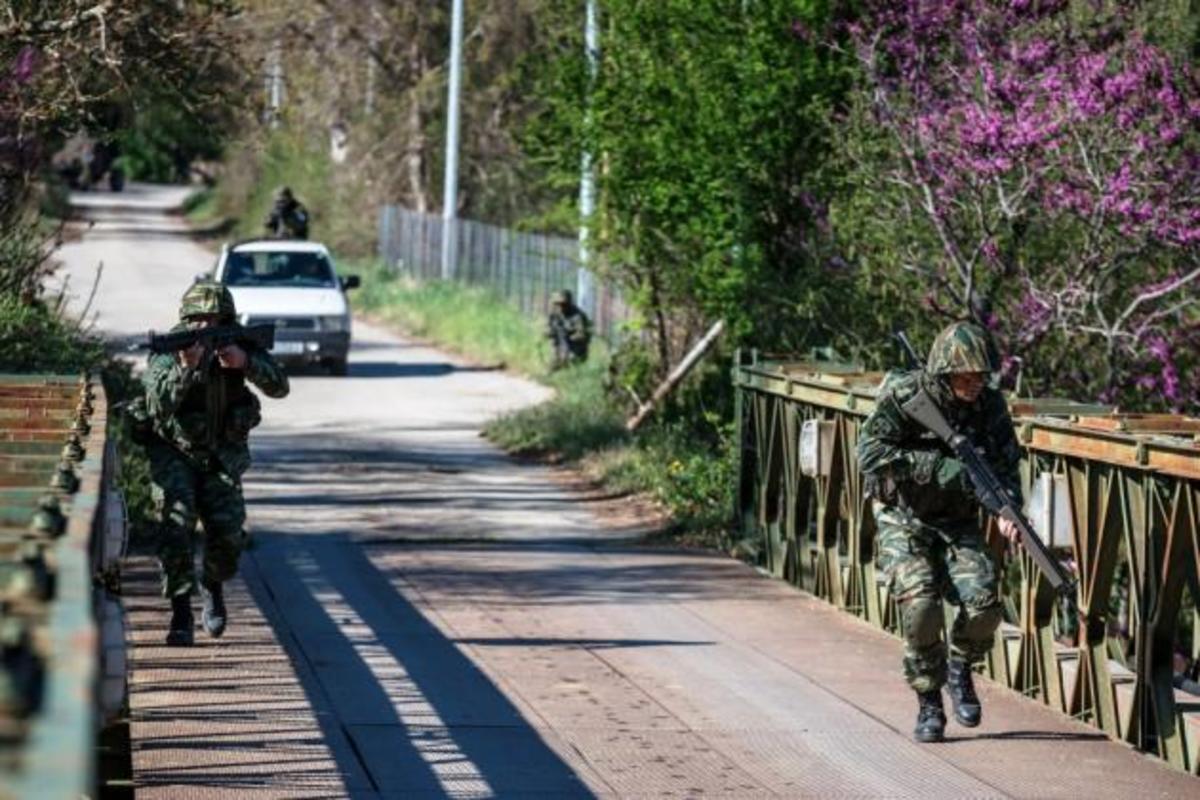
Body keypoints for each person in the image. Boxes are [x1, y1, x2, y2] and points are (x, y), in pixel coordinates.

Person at [856, 320, 1022, 743]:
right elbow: (869, 453)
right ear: (944, 372)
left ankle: (960, 667)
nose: (975, 383)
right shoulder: (906, 395)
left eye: (981, 375)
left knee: (985, 605)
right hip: (903, 514)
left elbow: (1006, 465)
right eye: (966, 376)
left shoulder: (990, 407)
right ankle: (929, 700)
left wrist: (1009, 510)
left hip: (957, 519)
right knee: (922, 607)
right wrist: (938, 468)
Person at [135, 281, 289, 646]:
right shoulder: (170, 350)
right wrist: (185, 368)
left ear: (226, 320)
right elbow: (156, 406)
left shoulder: (240, 343)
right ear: (186, 318)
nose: (205, 326)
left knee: (229, 534)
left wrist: (246, 362)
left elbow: (280, 387)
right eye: (198, 319)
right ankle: (181, 614)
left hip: (222, 454)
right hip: (176, 453)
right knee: (175, 527)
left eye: (214, 319)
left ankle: (212, 584)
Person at [546, 289, 591, 369]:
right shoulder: (554, 315)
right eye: (557, 304)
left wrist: (569, 336)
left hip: (575, 350)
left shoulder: (577, 316)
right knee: (553, 365)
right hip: (559, 349)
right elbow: (549, 330)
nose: (560, 307)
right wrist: (550, 333)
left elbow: (582, 335)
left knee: (571, 361)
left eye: (563, 304)